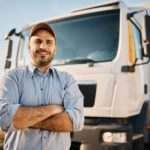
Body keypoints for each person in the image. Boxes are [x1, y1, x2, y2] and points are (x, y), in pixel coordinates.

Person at [0, 22, 84, 150]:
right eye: (37, 41)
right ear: (28, 47)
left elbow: (75, 122)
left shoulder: (67, 80)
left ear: (54, 49)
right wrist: (54, 109)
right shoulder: (13, 77)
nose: (43, 46)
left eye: (49, 42)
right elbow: (5, 119)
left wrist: (24, 119)